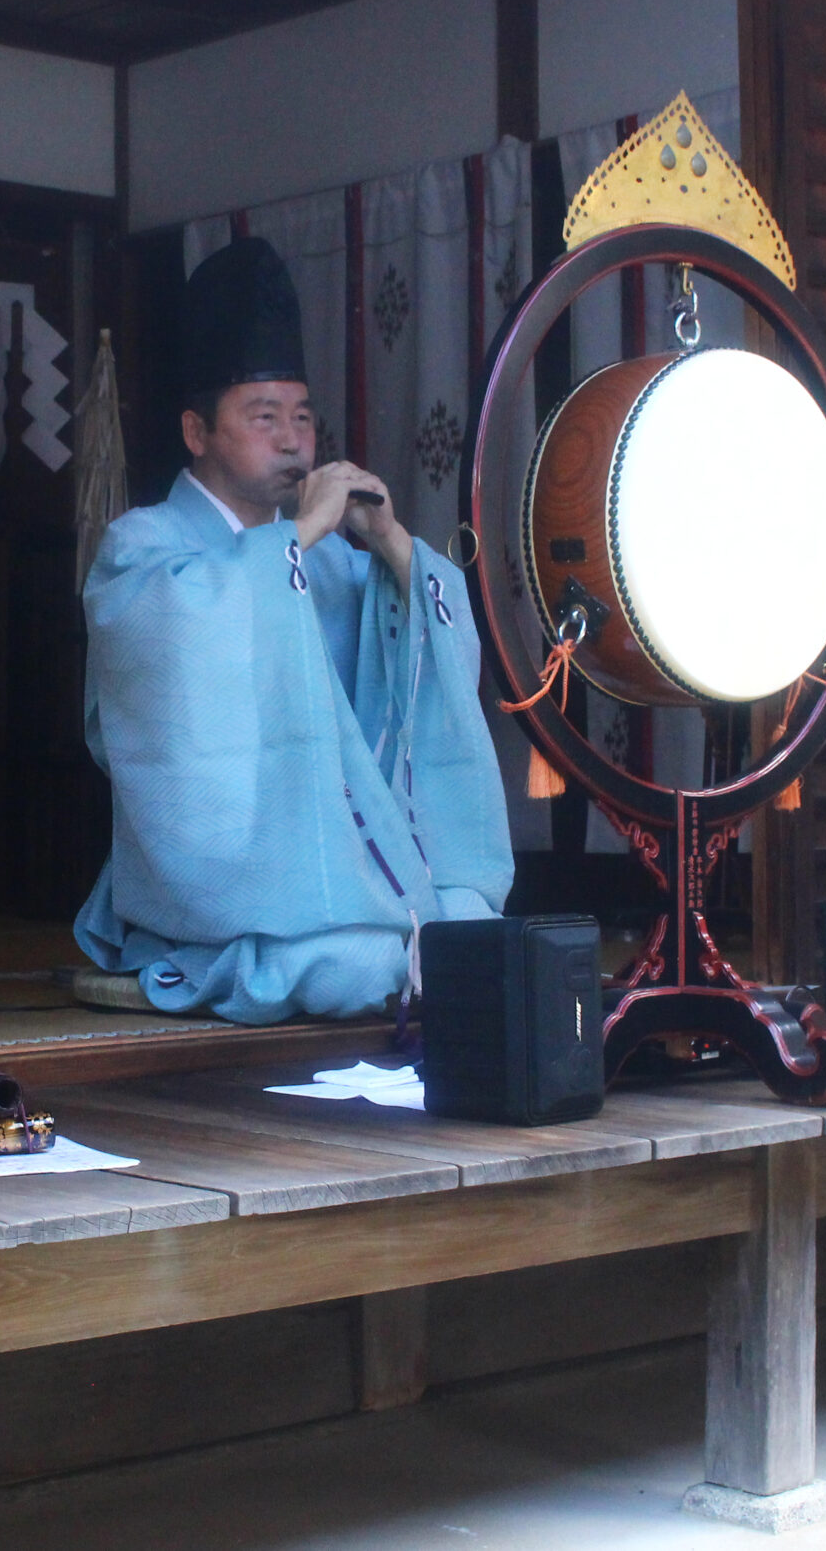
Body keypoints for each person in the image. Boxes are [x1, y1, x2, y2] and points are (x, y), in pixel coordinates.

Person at [73, 239, 511, 1024]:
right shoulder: (142, 548)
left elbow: (433, 659)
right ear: (197, 432)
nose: (291, 440)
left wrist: (396, 551)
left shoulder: (336, 564)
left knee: (468, 926)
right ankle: (220, 952)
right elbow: (172, 661)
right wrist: (297, 537)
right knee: (365, 960)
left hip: (341, 861)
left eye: (303, 418)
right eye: (263, 416)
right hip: (219, 877)